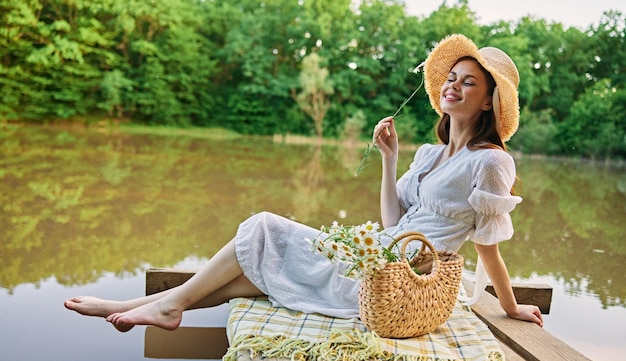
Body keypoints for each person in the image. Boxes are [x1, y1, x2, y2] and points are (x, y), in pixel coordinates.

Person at [64, 34, 543, 332]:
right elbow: (392, 221)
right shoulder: (429, 153)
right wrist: (389, 160)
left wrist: (512, 307)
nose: (452, 86)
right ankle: (147, 306)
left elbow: (487, 248)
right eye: (451, 77)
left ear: (488, 103)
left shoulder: (491, 163)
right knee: (252, 270)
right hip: (377, 252)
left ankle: (156, 307)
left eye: (469, 82)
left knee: (263, 228)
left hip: (398, 282)